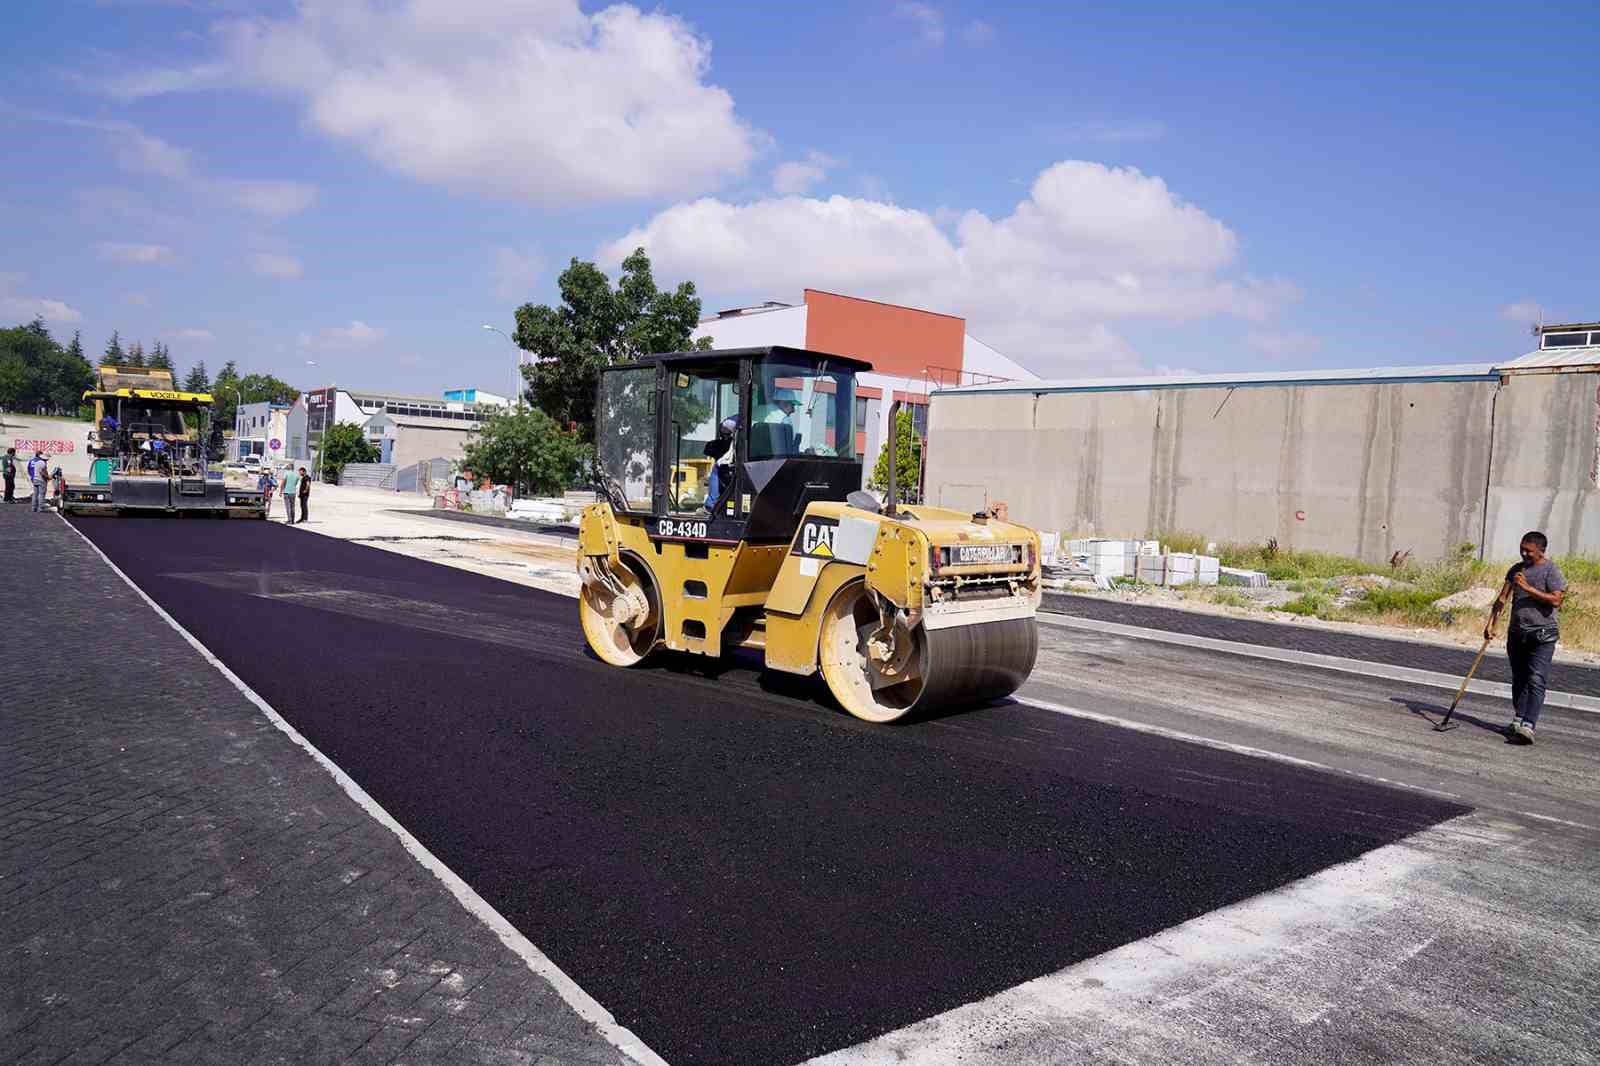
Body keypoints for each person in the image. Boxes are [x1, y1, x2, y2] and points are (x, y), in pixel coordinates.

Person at [1485, 530, 1567, 744]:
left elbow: (1557, 601)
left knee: (1536, 679)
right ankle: (1518, 718)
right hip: (1517, 634)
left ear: (1541, 550)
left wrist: (1528, 588)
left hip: (1543, 635)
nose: (1524, 553)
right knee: (1519, 679)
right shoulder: (1516, 569)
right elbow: (1502, 599)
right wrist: (1491, 623)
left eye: (1528, 551)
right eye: (1522, 549)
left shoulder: (1551, 571)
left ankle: (1529, 725)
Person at [702, 415, 738, 513]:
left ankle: (711, 504)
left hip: (737, 460)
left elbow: (725, 425)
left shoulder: (735, 419)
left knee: (717, 468)